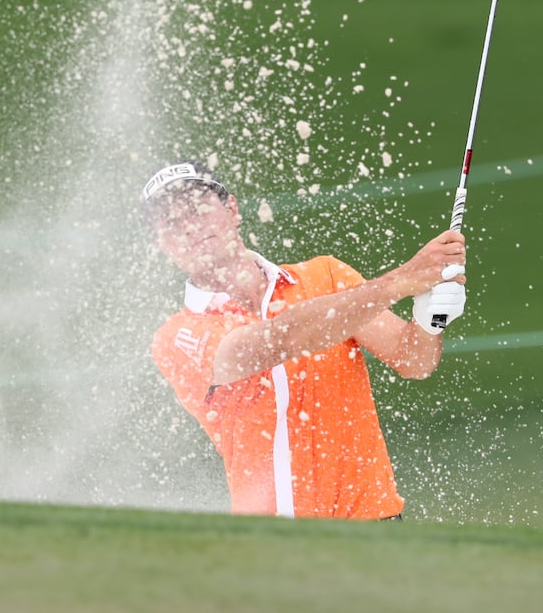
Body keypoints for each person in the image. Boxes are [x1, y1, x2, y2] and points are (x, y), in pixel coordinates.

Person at [143, 160, 466, 520]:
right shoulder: (178, 336)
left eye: (197, 208)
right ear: (163, 246)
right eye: (171, 223)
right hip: (275, 546)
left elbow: (414, 360)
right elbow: (278, 341)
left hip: (376, 527)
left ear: (231, 209)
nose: (189, 226)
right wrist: (400, 282)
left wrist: (428, 319)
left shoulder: (326, 276)